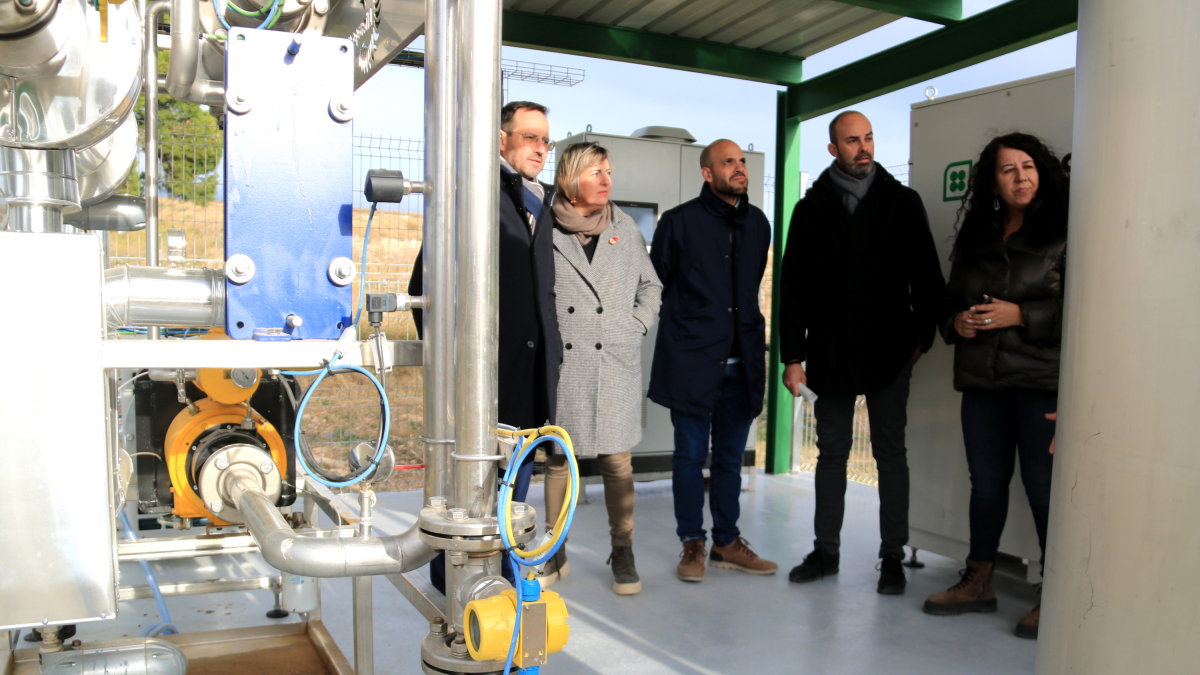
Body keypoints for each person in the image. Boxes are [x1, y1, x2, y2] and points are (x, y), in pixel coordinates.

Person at [780, 111, 945, 595]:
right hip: (830, 355)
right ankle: (825, 552)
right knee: (830, 453)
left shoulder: (902, 202)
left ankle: (892, 556)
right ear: (833, 149)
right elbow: (794, 291)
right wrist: (793, 357)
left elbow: (928, 278)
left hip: (891, 353)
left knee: (890, 452)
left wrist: (921, 338)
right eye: (852, 141)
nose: (863, 147)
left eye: (869, 137)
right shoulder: (810, 210)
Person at [409, 101, 562, 592]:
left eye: (546, 141)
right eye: (529, 137)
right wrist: (457, 367)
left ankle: (500, 579)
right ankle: (455, 582)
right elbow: (425, 288)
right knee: (472, 489)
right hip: (484, 381)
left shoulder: (541, 201)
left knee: (513, 487)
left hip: (529, 376)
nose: (540, 148)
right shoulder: (473, 196)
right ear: (501, 140)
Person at [923, 132, 1067, 641]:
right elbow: (947, 300)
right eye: (1009, 170)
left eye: (1027, 166)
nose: (1021, 176)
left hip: (1038, 382)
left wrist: (1021, 314)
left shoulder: (1064, 230)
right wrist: (955, 322)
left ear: (1042, 171)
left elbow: (1082, 306)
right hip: (983, 382)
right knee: (985, 486)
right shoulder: (978, 235)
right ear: (993, 181)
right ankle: (978, 581)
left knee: (1045, 490)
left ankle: (1058, 595)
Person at [649, 139, 778, 583]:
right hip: (692, 364)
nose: (739, 168)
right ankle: (692, 544)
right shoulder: (678, 223)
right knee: (688, 457)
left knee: (728, 460)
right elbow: (654, 288)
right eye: (729, 163)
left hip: (742, 366)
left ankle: (726, 541)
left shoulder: (759, 224)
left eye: (742, 161)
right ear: (708, 173)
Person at [538, 142, 662, 595]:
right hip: (566, 362)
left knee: (616, 461)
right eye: (596, 172)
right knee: (559, 460)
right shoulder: (544, 225)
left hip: (614, 360)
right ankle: (555, 547)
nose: (607, 179)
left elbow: (652, 286)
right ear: (571, 179)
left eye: (608, 171)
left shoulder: (624, 227)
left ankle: (623, 549)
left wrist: (635, 325)